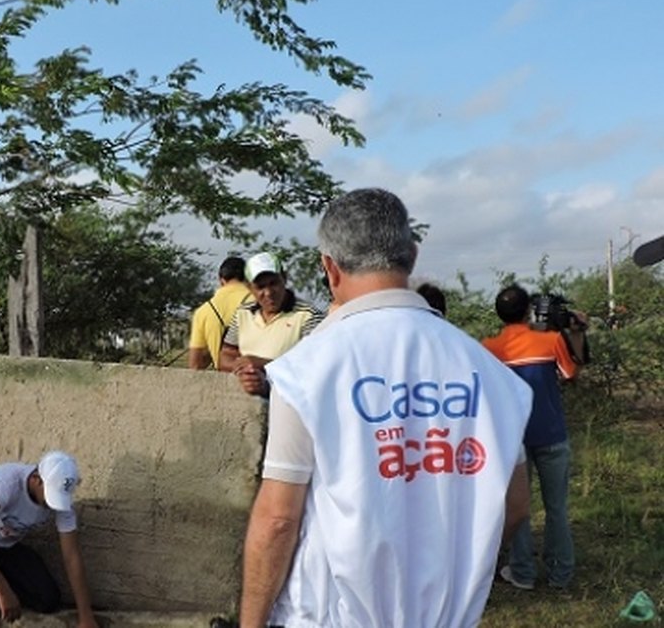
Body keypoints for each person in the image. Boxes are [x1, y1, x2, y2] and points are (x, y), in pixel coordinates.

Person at [239, 188, 534, 628]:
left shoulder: (307, 369)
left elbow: (279, 519)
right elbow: (514, 505)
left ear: (329, 268)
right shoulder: (491, 376)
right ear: (412, 256)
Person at [482, 284, 586, 591]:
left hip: (513, 441)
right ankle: (560, 575)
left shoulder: (488, 347)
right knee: (557, 508)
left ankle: (523, 573)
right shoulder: (551, 340)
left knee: (519, 508)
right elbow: (571, 375)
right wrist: (578, 333)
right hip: (552, 435)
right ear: (529, 310)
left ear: (499, 314)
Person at [0, 451, 98, 627]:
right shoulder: (4, 483)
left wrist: (86, 616)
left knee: (47, 599)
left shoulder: (62, 503)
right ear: (37, 479)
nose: (51, 504)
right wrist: (3, 590)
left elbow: (72, 556)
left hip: (4, 548)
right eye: (50, 496)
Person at [218, 252, 323, 397]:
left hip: (291, 404)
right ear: (250, 288)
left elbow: (315, 367)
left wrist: (262, 365)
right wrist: (245, 369)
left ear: (284, 279)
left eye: (273, 283)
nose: (268, 293)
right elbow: (226, 355)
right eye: (260, 287)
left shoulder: (308, 316)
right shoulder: (243, 313)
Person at [188, 256, 253, 370]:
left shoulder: (204, 311)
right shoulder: (260, 302)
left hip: (224, 381)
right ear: (248, 277)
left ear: (221, 280)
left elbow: (195, 364)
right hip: (258, 378)